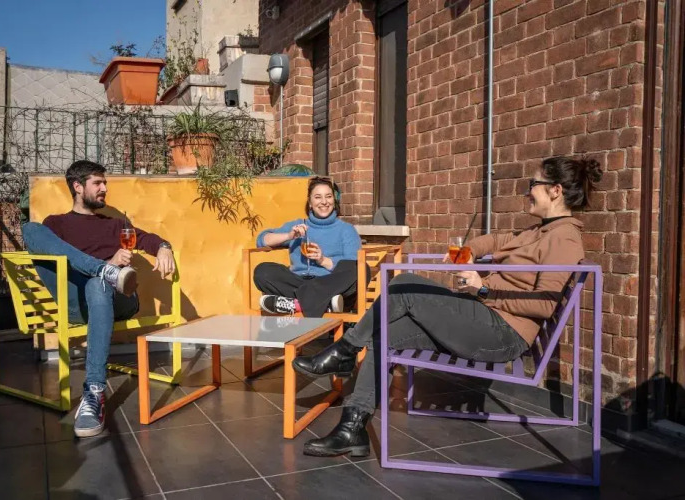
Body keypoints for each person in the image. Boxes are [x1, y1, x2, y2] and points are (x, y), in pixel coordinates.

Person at [292, 155, 603, 458]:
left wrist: (484, 289)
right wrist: (468, 251)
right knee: (382, 332)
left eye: (533, 184)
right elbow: (496, 241)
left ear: (555, 190)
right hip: (484, 317)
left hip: (503, 333)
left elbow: (544, 306)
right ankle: (352, 429)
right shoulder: (538, 230)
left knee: (405, 286)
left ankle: (344, 351)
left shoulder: (564, 238)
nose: (527, 191)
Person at [21, 160, 175, 438]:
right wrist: (107, 264)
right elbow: (48, 253)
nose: (104, 188)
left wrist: (164, 247)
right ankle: (103, 270)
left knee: (97, 285)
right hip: (76, 302)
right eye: (97, 183)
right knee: (30, 229)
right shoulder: (56, 224)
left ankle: (94, 391)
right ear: (78, 187)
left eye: (105, 183)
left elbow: (147, 239)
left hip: (119, 299)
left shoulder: (116, 225)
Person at [253, 176, 366, 318]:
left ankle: (296, 303)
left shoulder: (346, 229)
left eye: (328, 196)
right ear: (310, 202)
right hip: (300, 282)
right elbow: (262, 240)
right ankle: (322, 303)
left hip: (329, 283)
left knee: (359, 269)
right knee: (262, 271)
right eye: (318, 197)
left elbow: (352, 265)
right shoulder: (298, 225)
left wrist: (323, 260)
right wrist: (289, 235)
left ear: (334, 200)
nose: (324, 202)